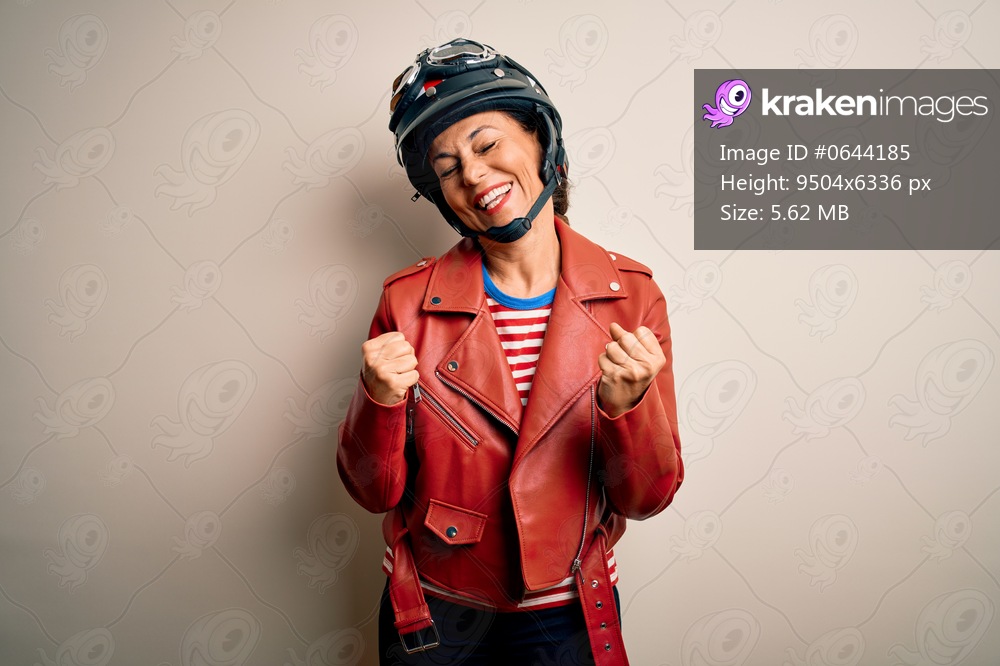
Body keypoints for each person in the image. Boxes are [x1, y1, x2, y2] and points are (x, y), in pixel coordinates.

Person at [337, 38, 683, 665]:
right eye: (447, 168)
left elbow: (646, 498)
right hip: (436, 614)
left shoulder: (632, 296)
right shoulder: (404, 303)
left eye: (487, 144)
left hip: (570, 612)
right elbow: (373, 492)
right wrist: (378, 401)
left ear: (541, 142)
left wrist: (626, 410)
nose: (471, 174)